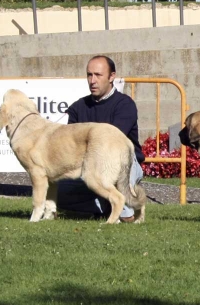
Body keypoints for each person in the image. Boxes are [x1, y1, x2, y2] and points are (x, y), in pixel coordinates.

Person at [57, 55, 145, 222]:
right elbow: (71, 145)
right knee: (56, 193)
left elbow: (113, 143)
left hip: (123, 160)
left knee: (127, 216)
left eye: (98, 75)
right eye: (89, 75)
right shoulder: (77, 108)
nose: (92, 80)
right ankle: (106, 204)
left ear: (112, 77)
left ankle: (125, 206)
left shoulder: (125, 104)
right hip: (88, 166)